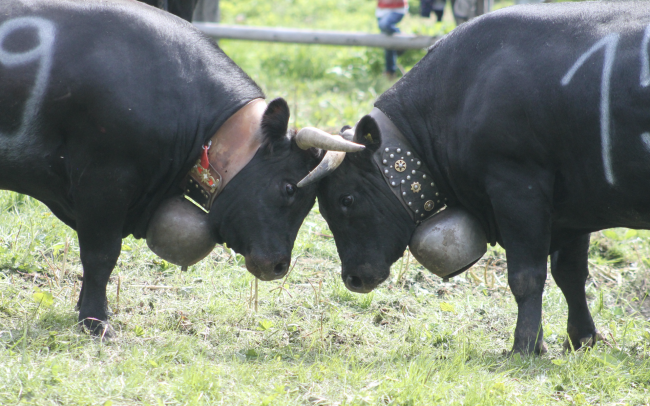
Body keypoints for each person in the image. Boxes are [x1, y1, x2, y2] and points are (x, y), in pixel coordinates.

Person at [376, 0, 408, 78]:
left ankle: (401, 38)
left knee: (384, 25)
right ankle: (390, 71)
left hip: (397, 8)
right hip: (381, 9)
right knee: (388, 39)